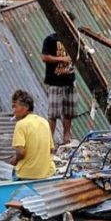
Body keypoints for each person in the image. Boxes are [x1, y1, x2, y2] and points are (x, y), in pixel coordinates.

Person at [41, 12, 77, 144]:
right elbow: (44, 57)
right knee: (54, 113)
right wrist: (62, 59)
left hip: (69, 80)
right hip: (55, 81)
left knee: (68, 112)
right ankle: (50, 140)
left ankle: (66, 137)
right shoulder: (51, 39)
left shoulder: (74, 39)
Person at [10, 90, 56, 180]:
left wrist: (15, 160)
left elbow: (21, 152)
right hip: (46, 173)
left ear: (26, 107)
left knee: (12, 172)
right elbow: (51, 149)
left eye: (15, 107)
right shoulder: (44, 122)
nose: (14, 111)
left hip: (26, 174)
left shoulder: (20, 124)